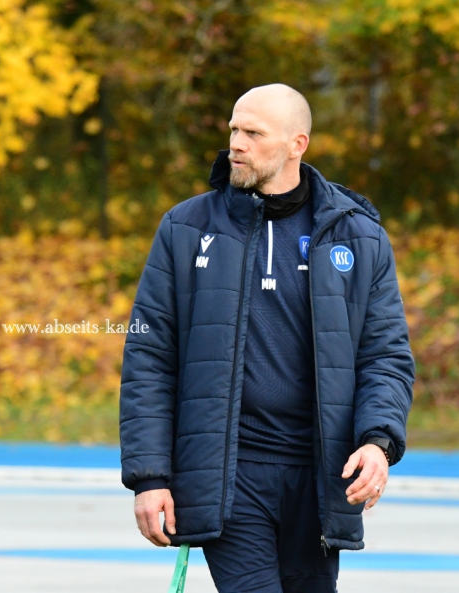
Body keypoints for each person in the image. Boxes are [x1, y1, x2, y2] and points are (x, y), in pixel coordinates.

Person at [119, 84, 414, 593]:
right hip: (227, 479)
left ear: (297, 144)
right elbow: (149, 357)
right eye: (234, 129)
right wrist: (150, 477)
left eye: (253, 133)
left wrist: (378, 442)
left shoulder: (358, 236)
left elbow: (384, 355)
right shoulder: (185, 227)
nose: (236, 143)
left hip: (320, 480)